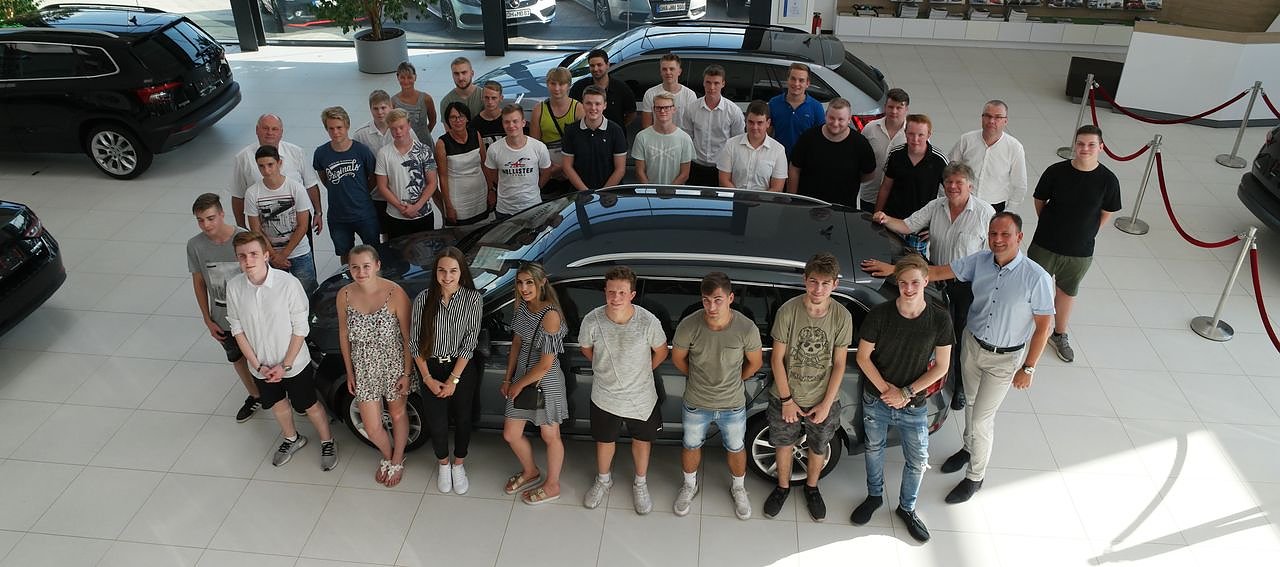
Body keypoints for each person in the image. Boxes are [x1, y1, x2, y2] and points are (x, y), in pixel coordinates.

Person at [877, 213, 1054, 505]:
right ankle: (968, 449)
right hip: (972, 346)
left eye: (1005, 235)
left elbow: (1044, 326)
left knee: (983, 419)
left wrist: (1029, 367)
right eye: (993, 234)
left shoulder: (1036, 278)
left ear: (1019, 237)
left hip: (1004, 359)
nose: (998, 240)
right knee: (970, 404)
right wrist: (894, 270)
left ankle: (975, 477)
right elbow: (936, 272)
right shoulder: (980, 261)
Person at [864, 163, 995, 411]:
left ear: (970, 186)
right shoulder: (937, 206)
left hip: (967, 286)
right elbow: (908, 225)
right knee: (937, 335)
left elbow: (991, 257)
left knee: (960, 339)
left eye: (959, 182)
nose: (953, 187)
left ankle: (959, 388)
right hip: (935, 279)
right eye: (948, 182)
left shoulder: (984, 213)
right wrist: (885, 219)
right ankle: (935, 380)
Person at [851, 255, 953, 544]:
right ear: (897, 282)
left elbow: (942, 366)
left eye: (915, 283)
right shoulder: (880, 315)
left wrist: (905, 393)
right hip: (877, 399)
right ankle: (874, 496)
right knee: (874, 449)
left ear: (926, 281)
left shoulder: (939, 319)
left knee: (918, 460)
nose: (908, 289)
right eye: (903, 283)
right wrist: (888, 392)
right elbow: (863, 357)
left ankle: (907, 508)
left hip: (914, 404)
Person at [226, 231, 338, 471]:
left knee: (309, 404)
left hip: (293, 364)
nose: (248, 260)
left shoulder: (288, 284)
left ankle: (327, 441)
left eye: (254, 254)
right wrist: (258, 365)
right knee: (278, 404)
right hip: (261, 366)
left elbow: (301, 328)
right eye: (242, 256)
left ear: (266, 255)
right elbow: (237, 330)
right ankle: (291, 438)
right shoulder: (234, 287)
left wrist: (285, 365)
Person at [763, 252, 853, 523]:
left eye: (825, 283)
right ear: (805, 280)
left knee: (819, 445)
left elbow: (840, 364)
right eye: (813, 281)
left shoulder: (842, 316)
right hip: (786, 395)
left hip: (823, 398)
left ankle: (812, 488)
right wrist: (787, 400)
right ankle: (782, 487)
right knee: (783, 443)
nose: (818, 289)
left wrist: (826, 404)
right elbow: (776, 358)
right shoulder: (788, 311)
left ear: (835, 284)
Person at [671, 272, 764, 520]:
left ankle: (739, 488)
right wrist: (697, 377)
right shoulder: (689, 325)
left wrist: (735, 380)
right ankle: (689, 485)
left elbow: (755, 363)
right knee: (691, 445)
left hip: (732, 404)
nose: (711, 307)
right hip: (696, 402)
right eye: (706, 300)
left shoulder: (746, 328)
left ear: (730, 298)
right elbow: (678, 359)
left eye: (718, 300)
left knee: (736, 447)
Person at [1029, 125, 1122, 363]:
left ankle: (1059, 334)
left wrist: (1087, 232)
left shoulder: (1108, 180)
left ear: (1101, 147)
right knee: (1030, 288)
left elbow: (1107, 211)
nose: (1085, 149)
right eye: (1080, 143)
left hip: (1079, 252)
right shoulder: (1056, 171)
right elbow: (1040, 199)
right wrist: (1049, 224)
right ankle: (1020, 329)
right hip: (1044, 245)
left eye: (1091, 144)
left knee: (1066, 292)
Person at [579, 266, 668, 514]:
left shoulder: (648, 321)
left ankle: (640, 483)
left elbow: (661, 351)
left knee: (642, 441)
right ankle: (603, 480)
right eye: (611, 292)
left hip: (641, 397)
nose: (615, 297)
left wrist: (641, 371)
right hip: (604, 396)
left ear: (632, 294)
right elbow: (586, 349)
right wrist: (606, 368)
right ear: (605, 292)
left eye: (621, 292)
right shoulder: (592, 320)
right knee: (605, 440)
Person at [409, 246, 483, 494]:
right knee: (437, 422)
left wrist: (453, 379)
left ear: (461, 272)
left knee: (463, 419)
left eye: (453, 271)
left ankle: (458, 464)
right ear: (435, 271)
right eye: (442, 270)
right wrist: (427, 378)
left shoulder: (473, 299)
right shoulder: (423, 299)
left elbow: (470, 343)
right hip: (430, 368)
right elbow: (415, 343)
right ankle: (443, 465)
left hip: (460, 369)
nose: (447, 276)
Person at [337, 245, 413, 486]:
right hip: (363, 367)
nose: (361, 272)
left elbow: (408, 337)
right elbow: (344, 335)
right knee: (371, 426)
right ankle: (388, 456)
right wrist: (350, 372)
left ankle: (398, 459)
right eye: (355, 267)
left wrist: (407, 373)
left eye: (366, 266)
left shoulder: (395, 293)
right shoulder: (344, 295)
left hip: (394, 364)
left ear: (377, 265)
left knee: (398, 413)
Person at [500, 262, 569, 506]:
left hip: (545, 382)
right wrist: (508, 378)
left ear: (542, 282)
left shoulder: (551, 315)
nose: (524, 288)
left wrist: (518, 385)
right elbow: (517, 344)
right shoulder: (522, 307)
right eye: (520, 282)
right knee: (511, 434)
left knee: (550, 435)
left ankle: (553, 485)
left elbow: (545, 364)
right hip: (521, 375)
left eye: (529, 282)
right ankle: (530, 471)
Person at [187, 193, 258, 423]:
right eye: (200, 220)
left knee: (265, 355)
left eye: (210, 218)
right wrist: (207, 319)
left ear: (221, 214)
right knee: (237, 358)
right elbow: (199, 282)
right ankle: (255, 395)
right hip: (222, 317)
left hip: (252, 315)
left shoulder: (243, 238)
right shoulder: (195, 246)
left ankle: (283, 395)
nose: (206, 225)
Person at [243, 145, 318, 295]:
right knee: (276, 296)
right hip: (269, 254)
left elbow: (303, 225)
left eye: (270, 165)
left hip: (299, 252)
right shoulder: (252, 193)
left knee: (308, 294)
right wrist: (273, 255)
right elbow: (256, 229)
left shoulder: (296, 188)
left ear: (279, 163)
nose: (266, 170)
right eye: (261, 166)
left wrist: (283, 254)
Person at [230, 114, 321, 232]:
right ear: (257, 130)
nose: (270, 132)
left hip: (299, 224)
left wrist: (318, 212)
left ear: (281, 132)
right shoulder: (243, 158)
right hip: (262, 228)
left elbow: (311, 185)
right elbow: (238, 196)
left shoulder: (297, 153)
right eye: (265, 128)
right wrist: (242, 229)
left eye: (274, 129)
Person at [313, 106, 380, 265]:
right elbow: (324, 177)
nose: (336, 132)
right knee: (344, 254)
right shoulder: (321, 153)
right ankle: (347, 277)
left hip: (364, 213)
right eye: (331, 128)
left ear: (347, 126)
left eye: (339, 127)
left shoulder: (362, 151)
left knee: (373, 251)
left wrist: (362, 191)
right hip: (338, 216)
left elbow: (373, 177)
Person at [875, 114, 949, 258]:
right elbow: (885, 187)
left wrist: (935, 227)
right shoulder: (896, 154)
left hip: (919, 228)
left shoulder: (939, 160)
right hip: (892, 221)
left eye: (921, 135)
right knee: (886, 259)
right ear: (905, 133)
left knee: (914, 264)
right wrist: (877, 214)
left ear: (929, 135)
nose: (915, 139)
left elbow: (949, 197)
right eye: (911, 134)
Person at [786, 98, 876, 208]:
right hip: (808, 205)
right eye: (831, 118)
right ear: (825, 115)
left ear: (849, 119)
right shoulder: (808, 138)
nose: (835, 123)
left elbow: (869, 174)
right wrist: (792, 200)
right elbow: (794, 168)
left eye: (841, 119)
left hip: (843, 209)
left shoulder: (860, 144)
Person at [948, 100, 1027, 213]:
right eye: (988, 116)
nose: (991, 121)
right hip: (963, 201)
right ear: (982, 118)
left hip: (995, 207)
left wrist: (1008, 212)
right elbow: (949, 170)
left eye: (998, 117)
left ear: (1005, 121)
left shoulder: (1015, 147)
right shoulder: (966, 140)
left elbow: (1020, 185)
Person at [352, 90, 412, 238]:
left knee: (403, 234)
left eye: (383, 107)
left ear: (391, 106)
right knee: (383, 232)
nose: (380, 112)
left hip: (401, 193)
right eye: (376, 108)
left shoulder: (404, 129)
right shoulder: (360, 135)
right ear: (370, 109)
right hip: (377, 195)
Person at [376, 108, 438, 239]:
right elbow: (382, 186)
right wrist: (400, 208)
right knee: (398, 251)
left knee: (425, 249)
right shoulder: (383, 153)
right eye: (393, 128)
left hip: (423, 214)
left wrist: (417, 207)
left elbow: (432, 182)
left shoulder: (425, 150)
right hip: (395, 216)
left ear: (409, 125)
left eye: (401, 127)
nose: (398, 132)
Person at [483, 104, 552, 220]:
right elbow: (491, 173)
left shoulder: (538, 147)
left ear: (523, 123)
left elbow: (547, 172)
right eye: (507, 122)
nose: (511, 125)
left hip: (533, 208)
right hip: (505, 210)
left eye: (515, 121)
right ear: (502, 124)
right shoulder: (494, 149)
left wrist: (535, 187)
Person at [682, 64, 745, 187]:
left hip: (722, 169)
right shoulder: (692, 109)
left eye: (716, 83)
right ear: (703, 83)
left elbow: (737, 143)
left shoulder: (733, 111)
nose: (712, 87)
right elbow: (687, 139)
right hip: (696, 167)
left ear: (723, 84)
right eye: (708, 82)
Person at [562, 85, 627, 191]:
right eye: (588, 103)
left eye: (597, 104)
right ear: (583, 104)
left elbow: (620, 169)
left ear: (605, 105)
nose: (593, 108)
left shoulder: (616, 131)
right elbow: (567, 166)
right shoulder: (571, 131)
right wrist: (586, 192)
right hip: (579, 193)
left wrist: (602, 193)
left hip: (610, 194)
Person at [436, 102, 491, 226]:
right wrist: (448, 205)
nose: (457, 120)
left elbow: (484, 164)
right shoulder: (442, 143)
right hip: (458, 198)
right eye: (453, 117)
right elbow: (442, 177)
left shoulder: (476, 134)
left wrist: (491, 190)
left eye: (461, 116)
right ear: (448, 120)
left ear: (467, 118)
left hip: (480, 192)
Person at [530, 67, 581, 198]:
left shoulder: (578, 109)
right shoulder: (539, 110)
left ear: (569, 85)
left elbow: (584, 144)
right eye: (553, 83)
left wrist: (564, 167)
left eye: (561, 84)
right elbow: (534, 146)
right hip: (548, 170)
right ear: (547, 84)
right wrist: (548, 168)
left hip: (574, 171)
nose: (557, 88)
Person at [716, 100, 786, 192]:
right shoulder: (731, 144)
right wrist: (740, 197)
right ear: (745, 121)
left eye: (760, 123)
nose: (755, 127)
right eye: (751, 122)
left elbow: (777, 188)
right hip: (735, 198)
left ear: (768, 123)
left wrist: (760, 199)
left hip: (764, 200)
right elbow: (723, 180)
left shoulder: (778, 150)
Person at [858, 88, 910, 211]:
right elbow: (859, 157)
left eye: (899, 108)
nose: (894, 111)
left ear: (906, 109)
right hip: (869, 194)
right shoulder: (870, 128)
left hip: (897, 197)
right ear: (885, 106)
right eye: (890, 107)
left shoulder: (913, 134)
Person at [632, 92, 694, 185]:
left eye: (667, 107)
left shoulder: (685, 138)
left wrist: (669, 190)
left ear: (674, 109)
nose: (662, 111)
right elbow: (639, 172)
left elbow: (684, 174)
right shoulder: (641, 137)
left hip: (675, 192)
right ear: (653, 109)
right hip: (649, 192)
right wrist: (650, 190)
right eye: (659, 107)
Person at [768, 63, 825, 157]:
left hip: (805, 160)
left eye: (801, 80)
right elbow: (767, 134)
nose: (796, 84)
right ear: (787, 80)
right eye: (793, 79)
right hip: (778, 158)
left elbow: (821, 139)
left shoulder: (816, 107)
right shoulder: (774, 103)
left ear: (807, 83)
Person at [570, 49, 636, 128]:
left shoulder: (622, 88)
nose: (595, 69)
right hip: (586, 134)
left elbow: (631, 113)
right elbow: (571, 111)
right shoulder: (579, 87)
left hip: (613, 135)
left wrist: (616, 128)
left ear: (607, 65)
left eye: (599, 65)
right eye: (592, 66)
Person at [640, 53, 698, 130]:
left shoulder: (690, 95)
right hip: (658, 137)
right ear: (660, 72)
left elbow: (693, 125)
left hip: (682, 137)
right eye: (664, 69)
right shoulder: (650, 94)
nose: (668, 72)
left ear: (679, 71)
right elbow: (646, 127)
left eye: (672, 69)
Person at [393, 61, 438, 144]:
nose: (406, 81)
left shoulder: (426, 99)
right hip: (404, 144)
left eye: (409, 77)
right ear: (398, 77)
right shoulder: (393, 102)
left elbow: (433, 121)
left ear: (415, 77)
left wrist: (424, 134)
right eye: (402, 77)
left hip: (425, 141)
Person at [473, 81, 508, 147]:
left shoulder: (509, 120)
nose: (490, 102)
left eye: (494, 98)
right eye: (486, 97)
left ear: (501, 98)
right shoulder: (474, 125)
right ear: (482, 98)